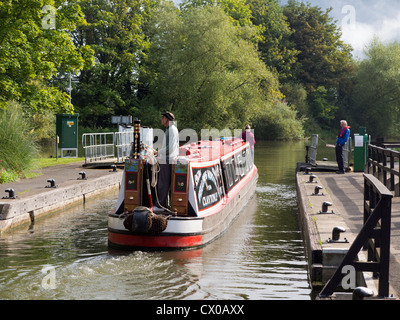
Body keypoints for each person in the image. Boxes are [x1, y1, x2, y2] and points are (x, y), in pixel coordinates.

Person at [155, 112, 179, 210]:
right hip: (167, 158)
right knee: (163, 183)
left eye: (163, 118)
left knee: (163, 183)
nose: (161, 119)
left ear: (167, 119)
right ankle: (164, 204)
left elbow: (171, 148)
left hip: (168, 160)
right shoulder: (169, 129)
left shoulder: (172, 130)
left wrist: (157, 152)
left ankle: (160, 205)